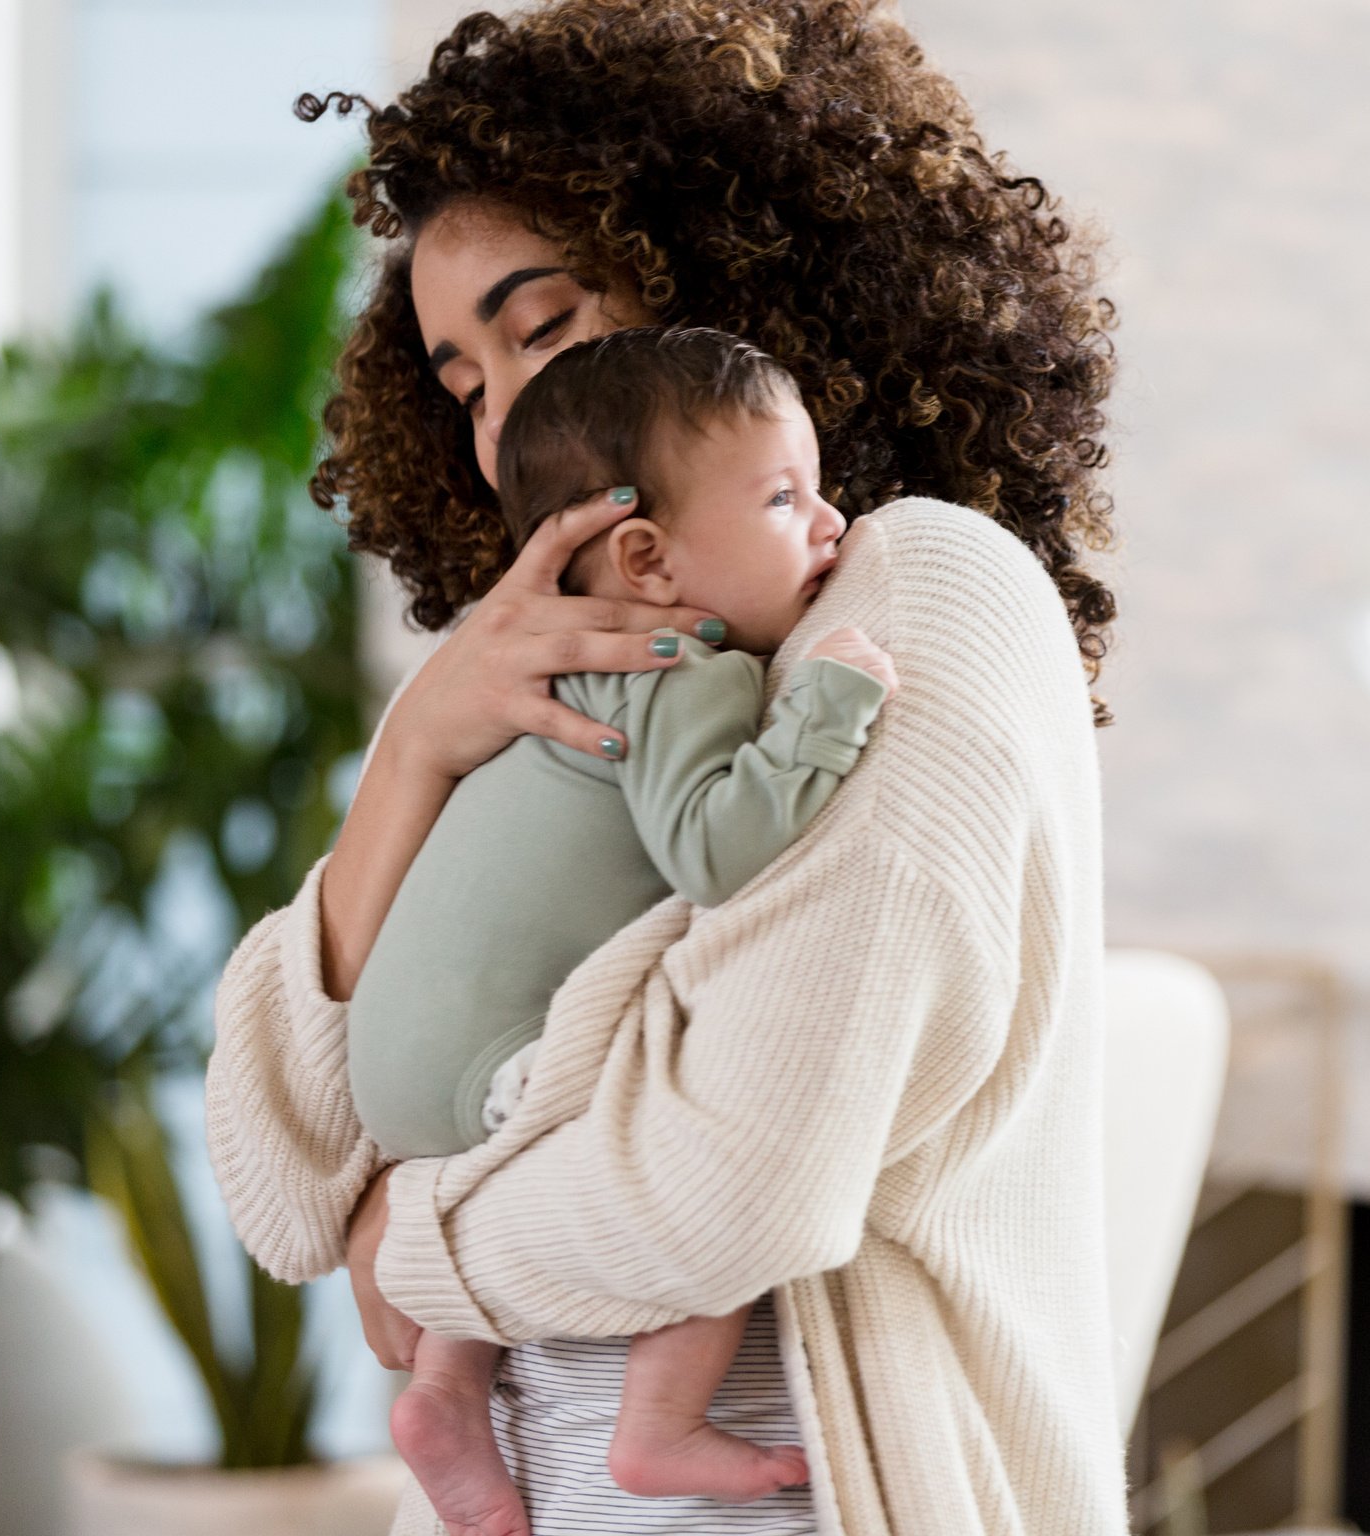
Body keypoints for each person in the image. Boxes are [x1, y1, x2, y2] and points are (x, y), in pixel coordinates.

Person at [204, 5, 1127, 1532]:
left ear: (724, 287)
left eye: (542, 325)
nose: (504, 426)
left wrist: (415, 1237)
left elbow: (725, 1190)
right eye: (462, 379)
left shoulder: (922, 595)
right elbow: (287, 1178)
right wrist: (418, 748)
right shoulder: (552, 686)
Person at [350, 325, 897, 1534]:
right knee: (701, 1146)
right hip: (488, 1057)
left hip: (398, 1073)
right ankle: (658, 1429)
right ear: (647, 559)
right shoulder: (686, 667)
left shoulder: (536, 675)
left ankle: (445, 1389)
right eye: (783, 497)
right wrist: (828, 709)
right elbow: (714, 844)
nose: (833, 524)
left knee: (550, 1121)